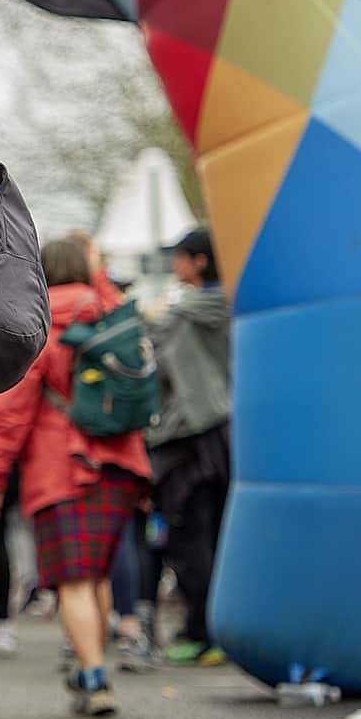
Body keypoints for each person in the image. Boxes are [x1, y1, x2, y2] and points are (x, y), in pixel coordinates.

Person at [0, 238, 151, 716]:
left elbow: (13, 408)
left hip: (60, 466)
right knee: (96, 573)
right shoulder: (111, 309)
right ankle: (87, 664)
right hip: (120, 462)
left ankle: (95, 674)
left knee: (75, 580)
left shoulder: (41, 318)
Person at [140, 228, 232, 667]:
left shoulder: (183, 316)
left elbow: (160, 367)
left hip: (189, 439)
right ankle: (217, 629)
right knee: (217, 533)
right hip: (227, 433)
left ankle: (202, 630)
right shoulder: (236, 305)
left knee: (190, 537)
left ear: (198, 261)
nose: (174, 267)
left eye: (179, 258)